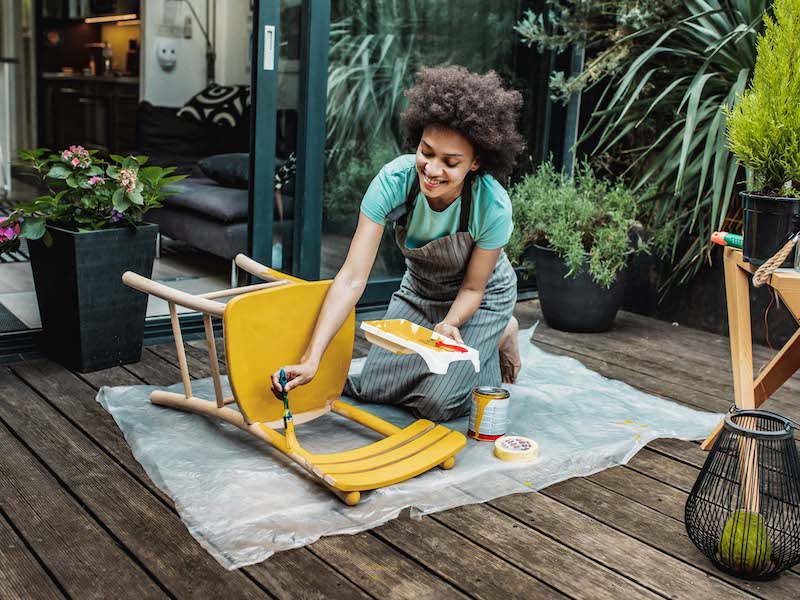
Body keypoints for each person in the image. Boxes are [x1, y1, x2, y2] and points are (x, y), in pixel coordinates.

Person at [271, 65, 525, 421]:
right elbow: (351, 278)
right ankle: (477, 343)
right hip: (420, 290)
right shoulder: (393, 182)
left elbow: (472, 287)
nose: (433, 170)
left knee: (440, 404)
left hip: (479, 299)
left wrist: (451, 324)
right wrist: (312, 358)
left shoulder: (491, 205)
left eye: (450, 162)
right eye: (427, 151)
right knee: (374, 388)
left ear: (475, 163)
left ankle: (500, 329)